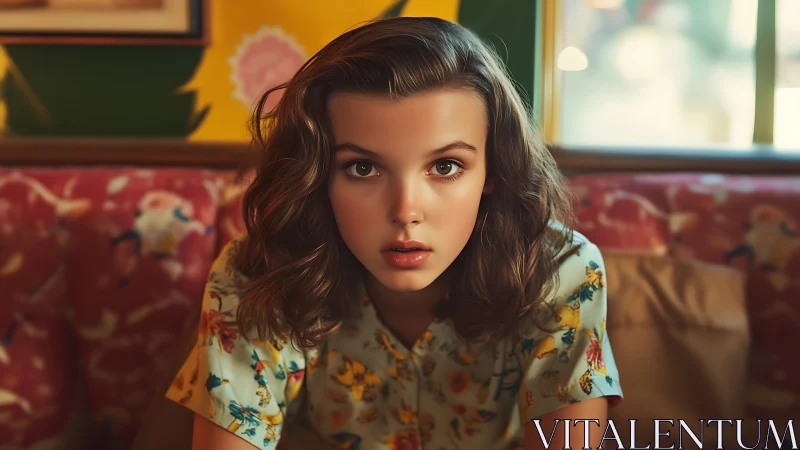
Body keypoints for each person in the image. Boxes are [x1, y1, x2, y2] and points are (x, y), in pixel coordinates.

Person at [164, 16, 623, 450]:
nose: (406, 211)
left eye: (446, 166)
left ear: (494, 171)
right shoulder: (256, 273)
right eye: (363, 168)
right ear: (319, 174)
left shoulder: (560, 270)